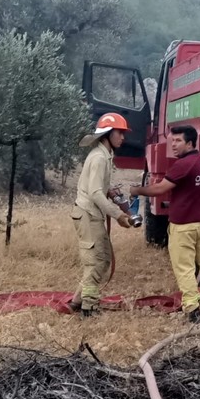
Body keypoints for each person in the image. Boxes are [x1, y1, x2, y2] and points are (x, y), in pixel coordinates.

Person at [131, 125, 200, 323]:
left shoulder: (182, 165)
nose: (173, 145)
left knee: (185, 268)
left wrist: (137, 190)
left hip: (184, 226)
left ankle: (193, 311)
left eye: (177, 141)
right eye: (172, 141)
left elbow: (160, 189)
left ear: (190, 142)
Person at [70, 112, 134, 317]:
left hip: (91, 214)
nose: (123, 137)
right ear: (107, 134)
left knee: (103, 260)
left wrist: (111, 191)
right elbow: (95, 193)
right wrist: (118, 214)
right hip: (88, 214)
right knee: (96, 262)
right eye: (119, 133)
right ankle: (89, 308)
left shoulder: (104, 155)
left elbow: (98, 188)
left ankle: (77, 302)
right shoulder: (99, 158)